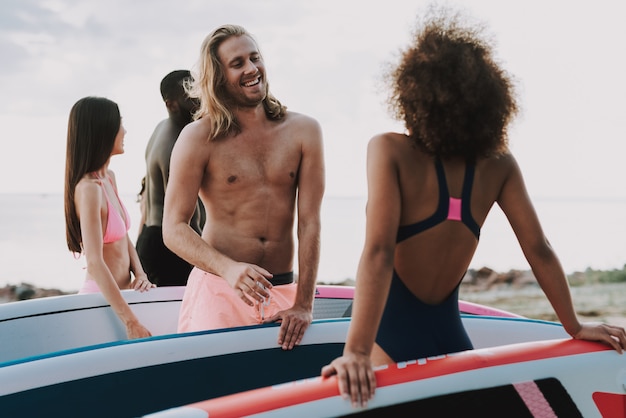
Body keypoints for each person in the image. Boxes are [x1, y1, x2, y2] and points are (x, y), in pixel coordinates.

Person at [321, 7, 626, 408]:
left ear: (415, 93)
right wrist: (573, 324)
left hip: (384, 334)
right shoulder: (498, 164)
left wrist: (356, 351)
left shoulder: (389, 149)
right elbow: (540, 248)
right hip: (449, 334)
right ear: (487, 101)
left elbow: (378, 251)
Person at [162, 24, 325, 350]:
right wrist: (228, 268)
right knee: (212, 394)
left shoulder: (305, 131)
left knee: (281, 397)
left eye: (255, 58)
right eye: (238, 63)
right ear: (219, 76)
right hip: (219, 290)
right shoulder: (198, 138)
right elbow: (173, 227)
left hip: (284, 294)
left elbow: (309, 223)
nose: (252, 69)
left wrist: (304, 303)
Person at [64, 96, 156, 339]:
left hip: (122, 297)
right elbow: (94, 261)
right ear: (102, 131)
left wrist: (141, 274)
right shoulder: (89, 189)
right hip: (100, 302)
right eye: (119, 124)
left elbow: (122, 237)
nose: (124, 131)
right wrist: (131, 322)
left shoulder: (108, 178)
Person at [136, 70, 205, 286]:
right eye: (191, 97)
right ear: (171, 104)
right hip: (167, 249)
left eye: (199, 92)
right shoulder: (175, 147)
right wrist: (217, 263)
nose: (200, 101)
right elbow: (187, 220)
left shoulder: (162, 127)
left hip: (152, 238)